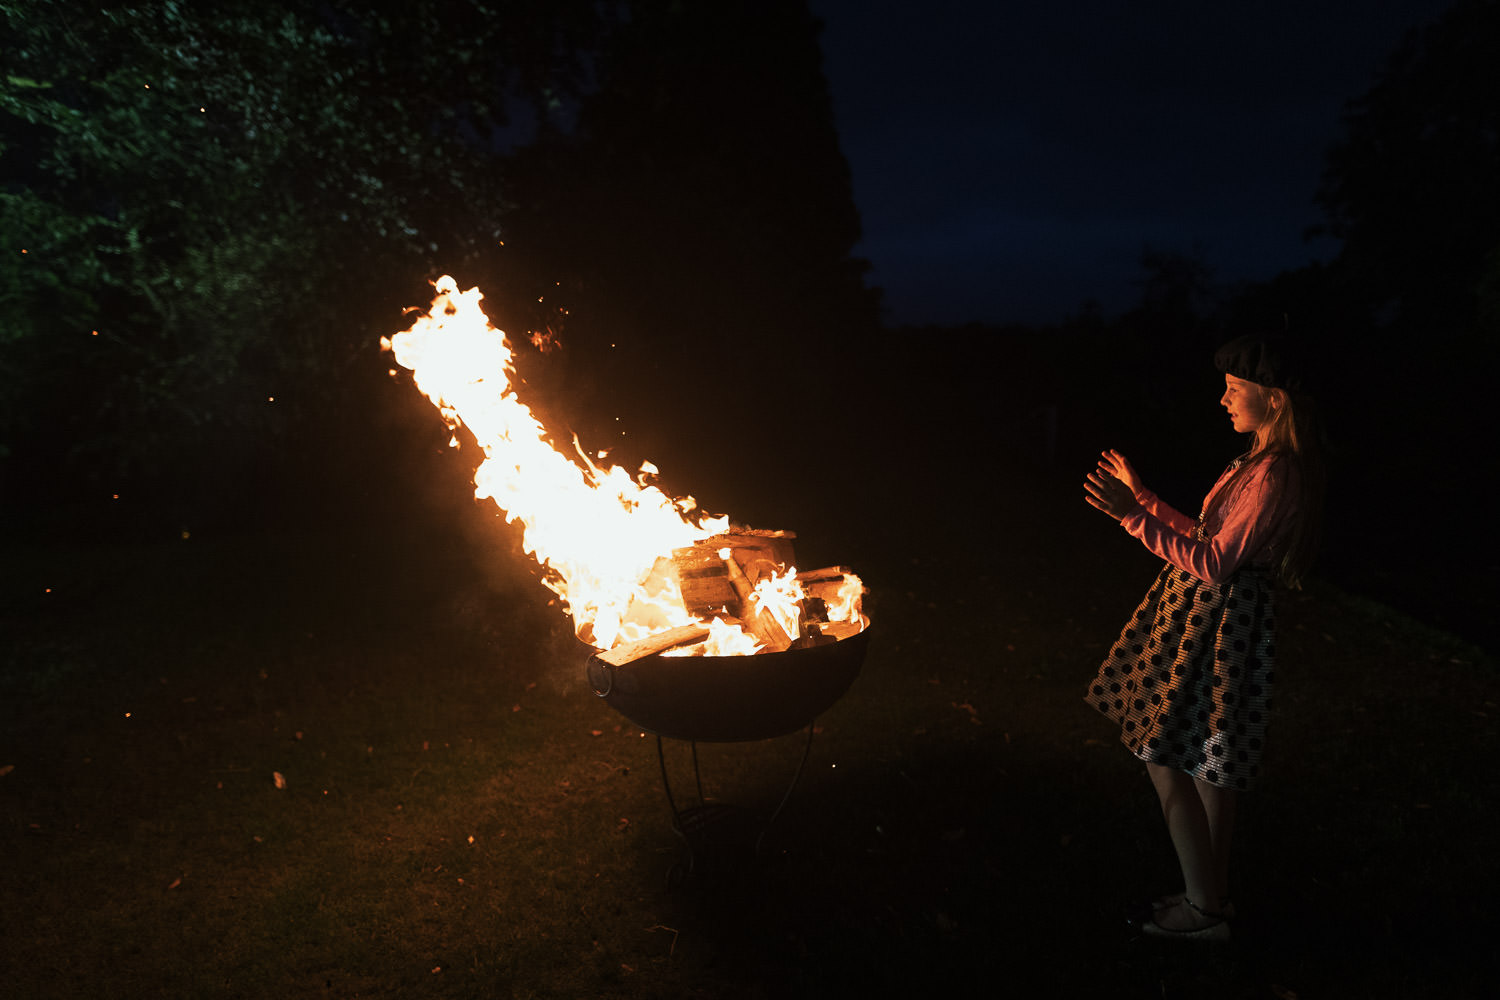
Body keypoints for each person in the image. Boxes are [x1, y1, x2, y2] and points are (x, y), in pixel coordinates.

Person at [1082, 333, 1326, 942]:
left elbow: (1215, 562)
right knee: (1207, 767)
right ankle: (1210, 899)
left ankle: (1200, 909)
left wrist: (1132, 517)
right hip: (1211, 616)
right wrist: (1144, 499)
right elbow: (1206, 533)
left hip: (1219, 623)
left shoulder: (1276, 474)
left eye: (1234, 389)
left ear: (1273, 399)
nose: (1223, 400)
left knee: (1162, 755)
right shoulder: (1254, 463)